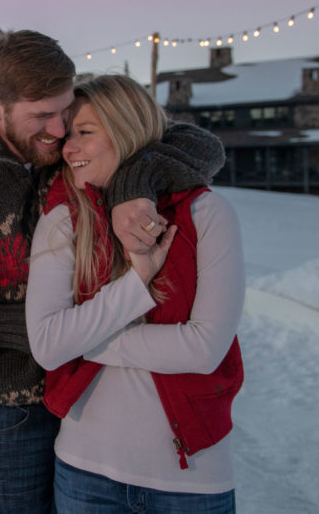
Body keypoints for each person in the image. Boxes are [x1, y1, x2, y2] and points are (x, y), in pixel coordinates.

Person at [0, 31, 225, 514]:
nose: (60, 130)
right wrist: (24, 329)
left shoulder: (67, 153)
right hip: (12, 415)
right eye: (42, 116)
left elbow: (197, 144)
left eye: (65, 113)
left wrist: (135, 184)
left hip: (94, 401)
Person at [25, 74, 245, 513]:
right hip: (85, 474)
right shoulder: (65, 221)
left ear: (127, 129)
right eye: (68, 137)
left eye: (84, 133)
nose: (68, 149)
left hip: (190, 482)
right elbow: (49, 347)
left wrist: (88, 341)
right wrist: (136, 282)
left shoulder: (205, 214)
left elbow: (203, 349)